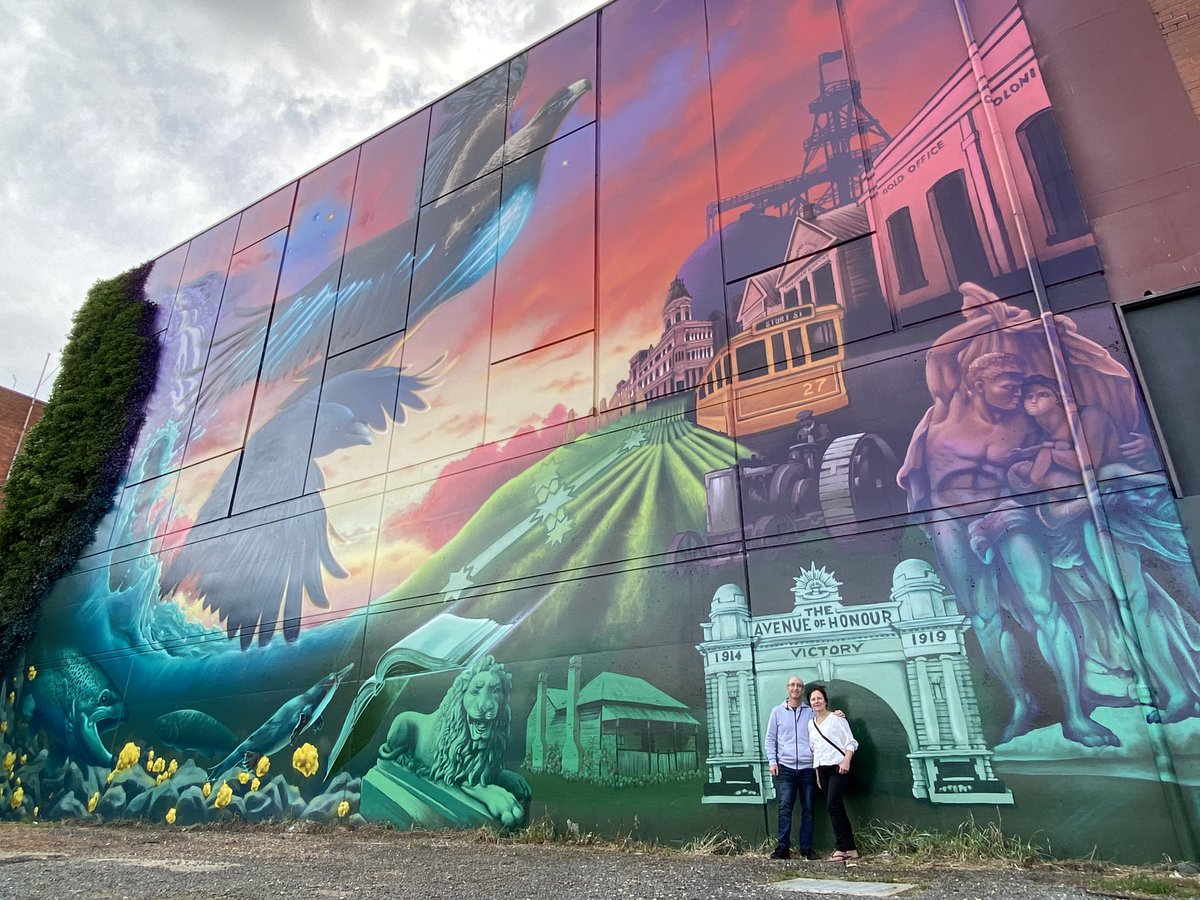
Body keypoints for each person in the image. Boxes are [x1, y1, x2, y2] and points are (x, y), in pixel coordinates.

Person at [765, 675, 835, 860]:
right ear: (787, 688)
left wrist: (837, 715)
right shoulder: (777, 712)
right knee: (784, 807)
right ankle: (783, 847)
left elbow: (825, 722)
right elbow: (770, 738)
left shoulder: (810, 712)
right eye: (792, 685)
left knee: (808, 809)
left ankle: (806, 848)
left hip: (807, 768)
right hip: (785, 767)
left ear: (802, 690)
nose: (796, 688)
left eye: (799, 686)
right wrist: (773, 761)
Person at [808, 685, 859, 861]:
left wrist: (846, 761)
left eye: (819, 698)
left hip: (838, 767)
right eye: (813, 699)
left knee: (832, 806)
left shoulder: (837, 718)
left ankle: (840, 848)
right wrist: (816, 774)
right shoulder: (811, 724)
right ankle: (851, 849)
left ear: (825, 701)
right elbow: (815, 750)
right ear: (810, 703)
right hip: (822, 769)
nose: (816, 701)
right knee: (837, 808)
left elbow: (851, 742)